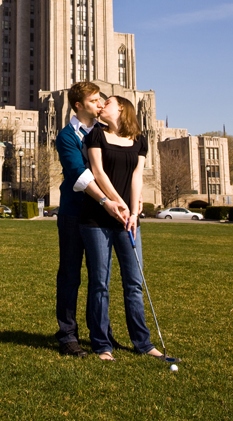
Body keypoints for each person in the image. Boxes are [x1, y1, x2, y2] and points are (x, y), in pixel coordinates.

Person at [80, 95, 180, 363]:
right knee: (100, 283)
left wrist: (134, 212)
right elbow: (98, 173)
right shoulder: (96, 137)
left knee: (134, 282)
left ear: (121, 107)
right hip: (98, 219)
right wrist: (117, 203)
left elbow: (137, 177)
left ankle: (143, 343)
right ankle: (102, 344)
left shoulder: (139, 140)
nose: (101, 106)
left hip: (128, 221)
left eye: (107, 102)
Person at [55, 82, 128, 357]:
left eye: (101, 100)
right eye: (95, 100)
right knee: (70, 274)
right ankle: (67, 336)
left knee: (101, 277)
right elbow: (79, 175)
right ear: (78, 105)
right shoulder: (66, 136)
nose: (100, 104)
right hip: (75, 213)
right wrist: (106, 201)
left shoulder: (103, 133)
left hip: (100, 217)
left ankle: (102, 335)